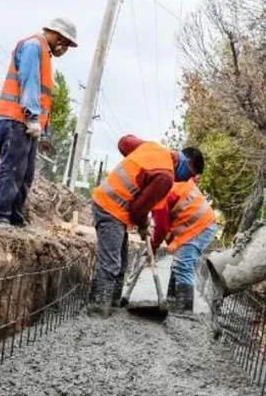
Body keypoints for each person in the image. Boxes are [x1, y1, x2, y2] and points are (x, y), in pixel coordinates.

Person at [87, 135, 205, 317]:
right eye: (189, 174)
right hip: (110, 206)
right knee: (111, 262)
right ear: (186, 161)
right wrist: (144, 226)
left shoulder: (153, 148)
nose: (185, 179)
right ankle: (98, 309)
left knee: (121, 261)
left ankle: (114, 306)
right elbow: (137, 210)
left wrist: (139, 163)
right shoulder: (166, 177)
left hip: (116, 209)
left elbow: (124, 142)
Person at [0, 18, 78, 228]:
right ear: (58, 36)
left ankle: (15, 217)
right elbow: (29, 82)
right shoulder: (33, 46)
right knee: (12, 168)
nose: (64, 49)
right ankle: (0, 216)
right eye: (65, 44)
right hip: (15, 118)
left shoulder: (44, 54)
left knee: (25, 173)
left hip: (27, 123)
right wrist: (32, 116)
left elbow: (43, 95)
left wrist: (43, 130)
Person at [150, 176, 217, 313]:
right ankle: (172, 304)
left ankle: (184, 314)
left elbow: (162, 227)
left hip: (201, 226)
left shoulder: (160, 194)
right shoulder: (168, 182)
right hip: (194, 226)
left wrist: (154, 245)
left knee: (183, 266)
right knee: (178, 264)